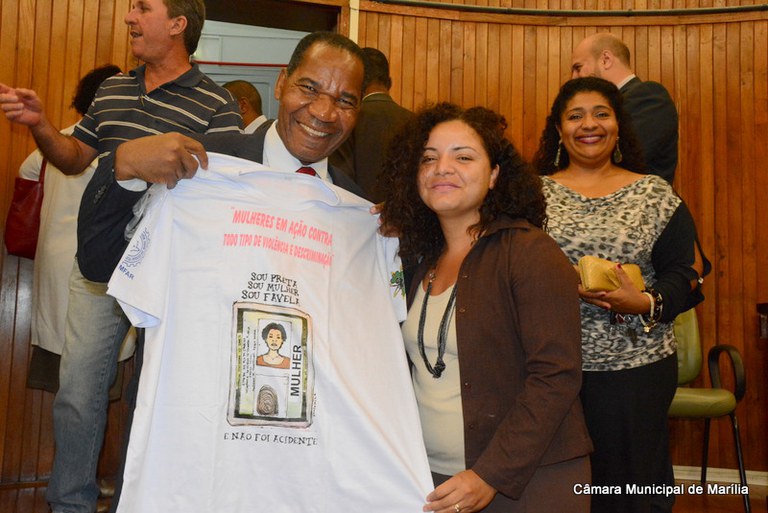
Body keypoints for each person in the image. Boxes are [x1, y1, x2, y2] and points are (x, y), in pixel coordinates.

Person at [103, 31, 434, 513]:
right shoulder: (199, 169)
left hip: (305, 477)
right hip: (195, 467)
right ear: (281, 83)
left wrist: (394, 245)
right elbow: (98, 260)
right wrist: (123, 166)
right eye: (309, 88)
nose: (324, 112)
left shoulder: (364, 217)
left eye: (345, 100)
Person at [0, 2, 241, 512]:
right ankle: (69, 504)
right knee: (76, 393)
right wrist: (41, 125)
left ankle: (137, 500)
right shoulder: (111, 90)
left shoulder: (218, 105)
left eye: (142, 7)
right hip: (99, 267)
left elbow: (227, 196)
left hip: (172, 278)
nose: (130, 16)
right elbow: (73, 160)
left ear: (177, 24)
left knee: (153, 397)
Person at [379, 102, 593, 513]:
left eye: (463, 157)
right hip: (431, 481)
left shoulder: (529, 252)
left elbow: (556, 376)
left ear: (494, 174)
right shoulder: (419, 260)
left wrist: (490, 474)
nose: (442, 168)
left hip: (526, 483)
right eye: (428, 158)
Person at [532, 76, 706, 513]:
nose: (589, 124)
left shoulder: (653, 193)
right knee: (560, 488)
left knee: (633, 491)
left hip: (636, 369)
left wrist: (644, 302)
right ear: (559, 129)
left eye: (601, 114)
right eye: (575, 116)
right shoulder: (532, 196)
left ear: (618, 125)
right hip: (552, 369)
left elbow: (685, 271)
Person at [21, 64, 136, 396]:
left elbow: (26, 172)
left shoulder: (55, 142)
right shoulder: (123, 148)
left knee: (62, 365)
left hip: (55, 259)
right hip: (98, 266)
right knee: (93, 378)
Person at [571, 32, 678, 184]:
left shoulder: (649, 96)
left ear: (606, 60)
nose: (573, 78)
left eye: (578, 68)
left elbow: (618, 158)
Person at [330, 47, 414, 202]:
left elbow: (340, 181)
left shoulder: (345, 121)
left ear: (357, 84)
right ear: (389, 83)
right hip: (408, 214)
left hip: (355, 212)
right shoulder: (415, 121)